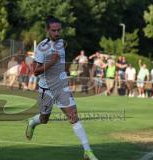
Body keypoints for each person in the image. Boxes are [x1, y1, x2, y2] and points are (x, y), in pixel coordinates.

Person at [25, 15, 98, 160]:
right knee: (44, 119)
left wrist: (63, 72)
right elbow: (35, 71)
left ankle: (87, 151)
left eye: (59, 30)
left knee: (73, 116)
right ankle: (33, 122)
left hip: (61, 87)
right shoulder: (41, 47)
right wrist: (52, 62)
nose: (57, 33)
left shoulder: (62, 43)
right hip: (46, 89)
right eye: (53, 30)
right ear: (47, 30)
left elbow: (63, 52)